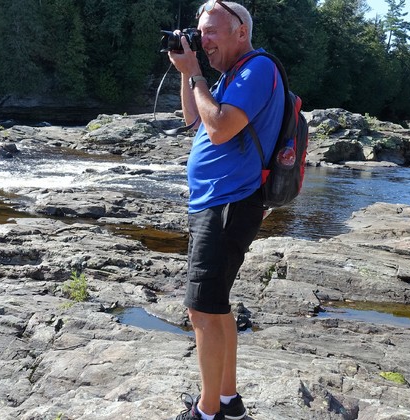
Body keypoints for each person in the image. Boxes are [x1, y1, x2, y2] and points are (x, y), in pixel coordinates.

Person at [167, 1, 285, 419]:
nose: (205, 39)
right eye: (201, 33)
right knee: (216, 306)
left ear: (241, 32)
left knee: (201, 308)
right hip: (217, 203)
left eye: (213, 32)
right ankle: (230, 403)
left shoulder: (257, 69)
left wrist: (197, 74)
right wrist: (190, 74)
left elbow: (219, 130)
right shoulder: (229, 78)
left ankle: (208, 411)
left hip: (228, 203)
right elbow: (194, 119)